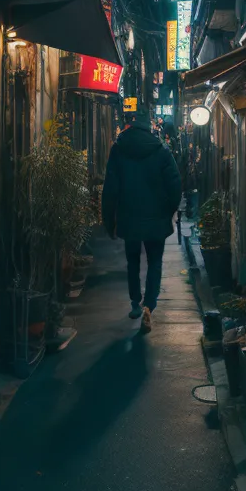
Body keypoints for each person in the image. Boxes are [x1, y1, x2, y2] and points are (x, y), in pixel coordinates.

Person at [101, 108, 182, 332]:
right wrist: (169, 210)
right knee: (155, 262)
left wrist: (109, 220)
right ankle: (150, 305)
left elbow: (110, 189)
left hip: (129, 217)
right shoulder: (161, 150)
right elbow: (175, 185)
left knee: (133, 261)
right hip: (156, 218)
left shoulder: (118, 150)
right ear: (149, 129)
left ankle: (135, 302)